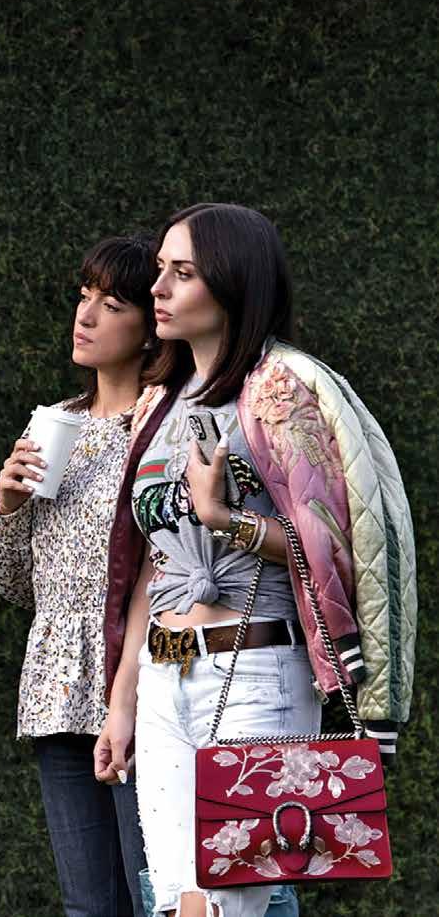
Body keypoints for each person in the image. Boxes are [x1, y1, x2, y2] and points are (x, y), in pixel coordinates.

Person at [94, 203, 414, 917]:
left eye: (183, 273)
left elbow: (333, 545)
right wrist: (122, 698)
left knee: (225, 906)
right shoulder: (159, 401)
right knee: (175, 903)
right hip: (163, 673)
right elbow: (152, 566)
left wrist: (225, 520)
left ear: (233, 283)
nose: (158, 289)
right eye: (161, 270)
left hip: (256, 673)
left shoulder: (278, 390)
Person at [0, 235, 156, 917]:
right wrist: (9, 508)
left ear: (150, 327)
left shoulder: (162, 427)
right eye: (85, 297)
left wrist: (127, 692)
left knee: (155, 897)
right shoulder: (55, 422)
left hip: (138, 676)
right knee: (87, 906)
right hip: (56, 687)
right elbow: (17, 585)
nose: (85, 315)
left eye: (110, 304)